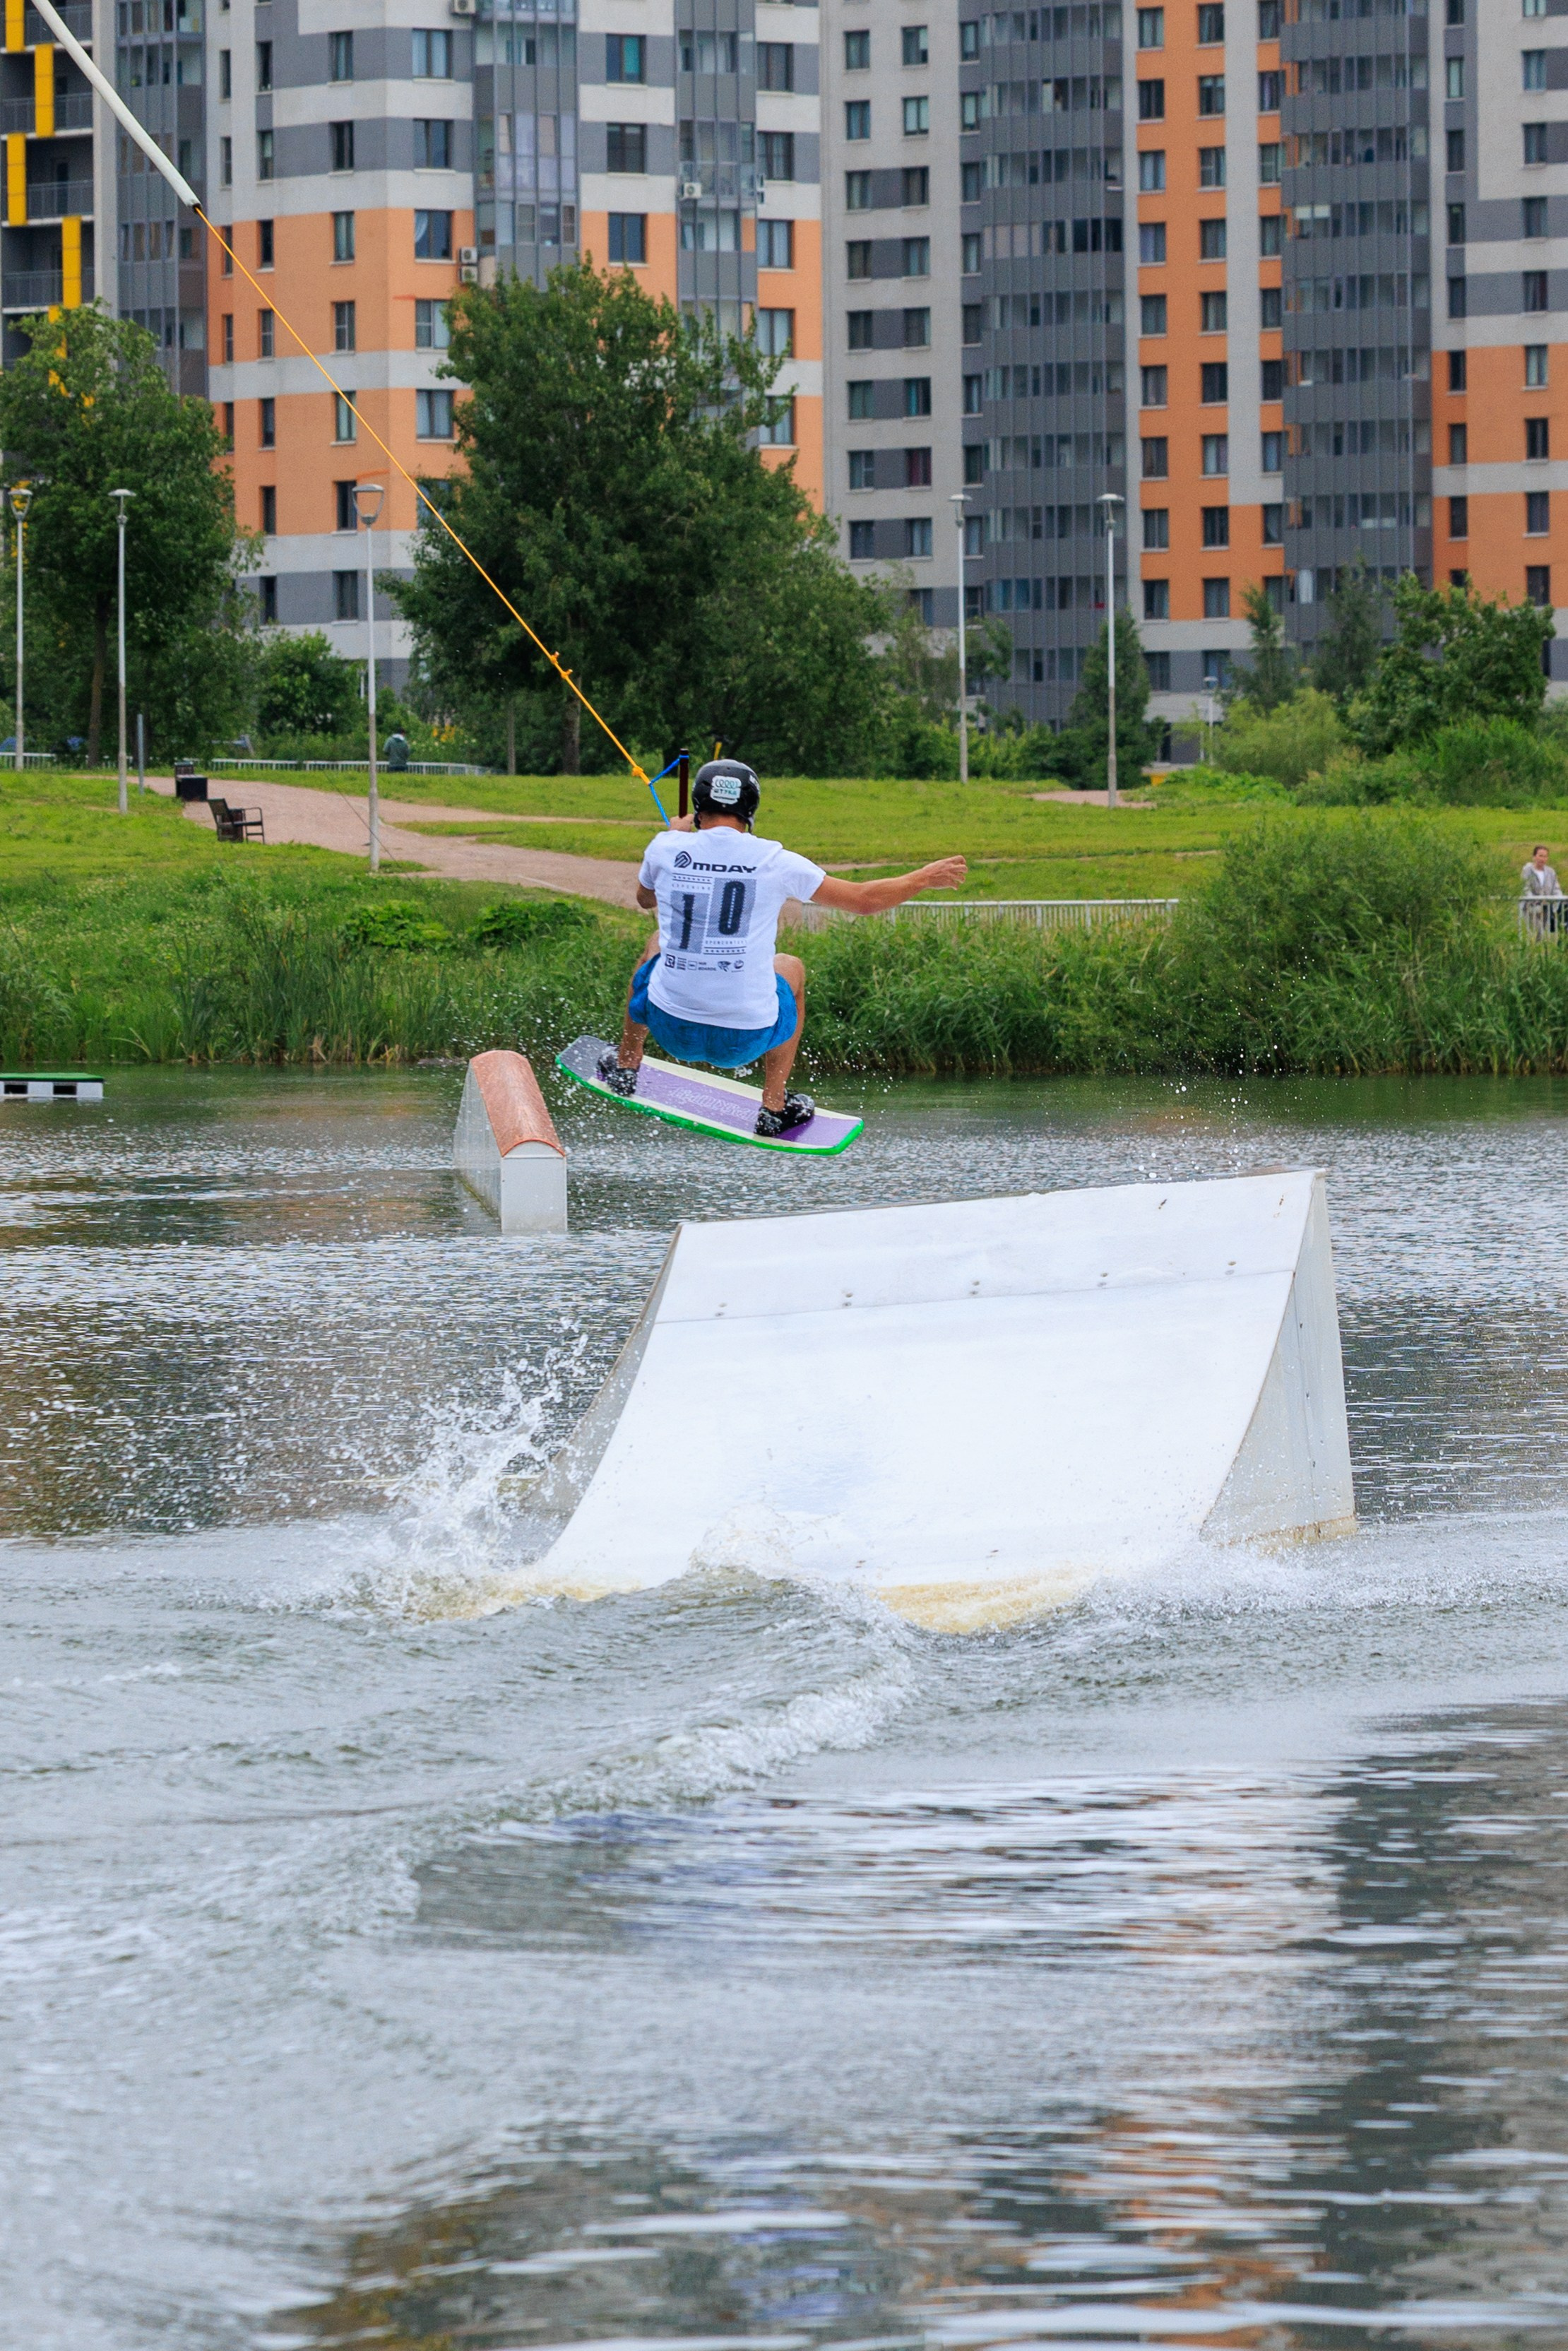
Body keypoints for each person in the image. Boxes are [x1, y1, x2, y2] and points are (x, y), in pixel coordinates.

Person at [599, 759, 966, 1137]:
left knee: (655, 943)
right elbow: (864, 900)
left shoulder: (665, 846)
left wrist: (673, 836)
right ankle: (774, 1107)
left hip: (670, 1028)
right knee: (791, 967)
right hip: (744, 1040)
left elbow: (646, 899)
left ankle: (627, 1065)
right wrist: (923, 878)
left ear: (698, 808)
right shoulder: (775, 860)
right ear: (750, 811)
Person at [1521, 844, 1564, 936]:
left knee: (1547, 934)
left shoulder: (1551, 872)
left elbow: (1556, 889)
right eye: (1540, 856)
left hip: (1547, 908)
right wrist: (1535, 901)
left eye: (1545, 856)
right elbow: (1526, 888)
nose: (1543, 859)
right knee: (1536, 933)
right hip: (1531, 908)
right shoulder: (1528, 871)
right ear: (1534, 857)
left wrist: (1558, 900)